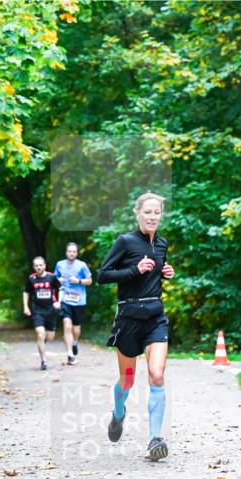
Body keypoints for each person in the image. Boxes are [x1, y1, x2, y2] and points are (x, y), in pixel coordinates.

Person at [97, 191, 175, 462]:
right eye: (148, 212)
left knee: (156, 374)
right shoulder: (125, 242)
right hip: (129, 318)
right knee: (127, 380)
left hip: (155, 316)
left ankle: (155, 439)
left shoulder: (162, 244)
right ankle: (118, 414)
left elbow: (154, 274)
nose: (153, 217)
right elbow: (102, 275)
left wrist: (165, 272)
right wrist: (134, 270)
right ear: (138, 213)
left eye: (157, 213)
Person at [54, 242, 93, 365]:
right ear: (66, 252)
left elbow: (90, 281)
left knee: (76, 329)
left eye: (74, 251)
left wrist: (78, 281)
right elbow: (55, 278)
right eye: (69, 251)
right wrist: (57, 280)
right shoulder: (59, 264)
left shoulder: (82, 265)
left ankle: (75, 342)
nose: (71, 253)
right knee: (67, 325)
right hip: (65, 299)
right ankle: (70, 353)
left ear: (76, 253)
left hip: (79, 300)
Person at [22, 256, 61, 371]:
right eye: (36, 265)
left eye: (41, 265)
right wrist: (26, 307)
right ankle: (43, 361)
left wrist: (59, 301)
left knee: (50, 337)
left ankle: (42, 341)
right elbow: (26, 292)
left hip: (51, 311)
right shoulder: (31, 279)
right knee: (40, 334)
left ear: (44, 265)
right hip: (37, 311)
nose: (39, 267)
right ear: (34, 267)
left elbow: (61, 289)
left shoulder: (52, 277)